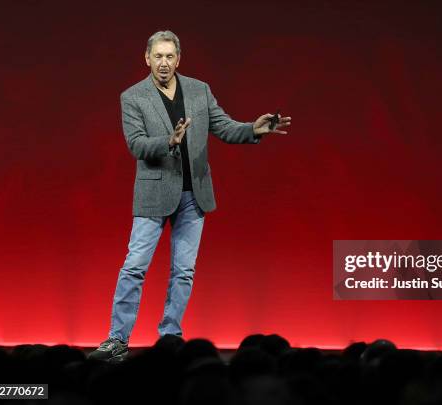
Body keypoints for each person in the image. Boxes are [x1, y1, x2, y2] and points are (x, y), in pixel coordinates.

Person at [88, 30, 291, 361]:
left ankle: (170, 335)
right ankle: (117, 338)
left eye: (170, 56)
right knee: (135, 266)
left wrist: (253, 130)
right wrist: (169, 140)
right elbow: (136, 143)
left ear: (178, 59)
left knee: (183, 270)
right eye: (158, 56)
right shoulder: (133, 97)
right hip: (154, 194)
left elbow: (224, 127)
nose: (164, 63)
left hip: (193, 194)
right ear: (147, 58)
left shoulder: (198, 90)